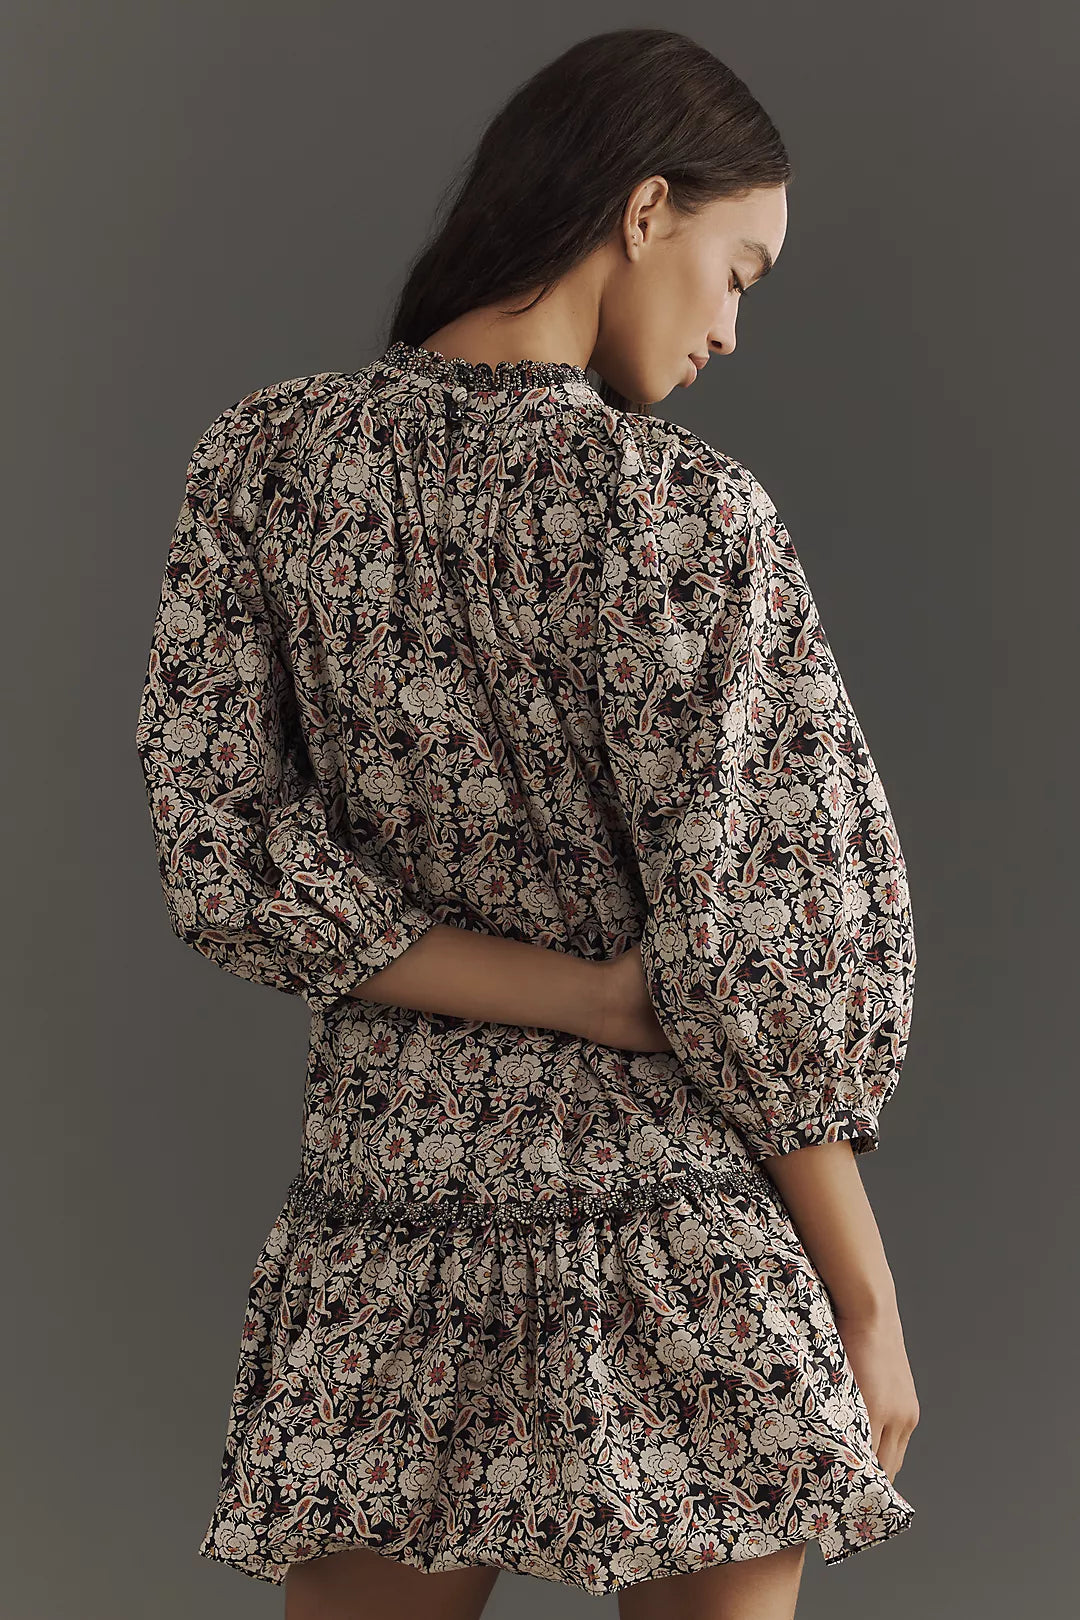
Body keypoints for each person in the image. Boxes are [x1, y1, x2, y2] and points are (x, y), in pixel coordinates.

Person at [134, 26, 920, 1620]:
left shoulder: (265, 466)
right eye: (740, 270)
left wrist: (572, 993)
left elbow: (225, 861)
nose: (733, 329)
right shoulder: (680, 519)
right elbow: (759, 947)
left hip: (387, 1221)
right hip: (675, 1233)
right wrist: (866, 1292)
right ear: (645, 211)